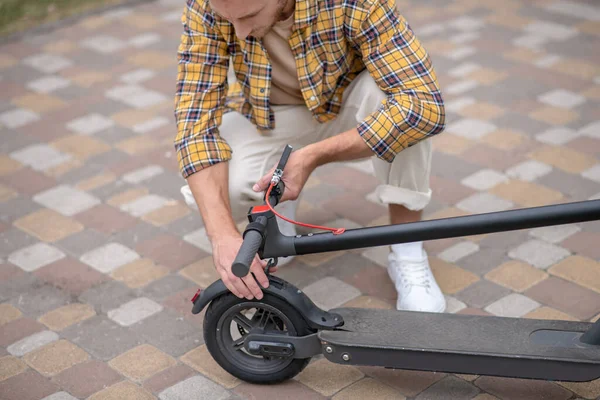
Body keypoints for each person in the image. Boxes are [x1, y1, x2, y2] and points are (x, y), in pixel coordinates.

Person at [174, 0, 447, 312]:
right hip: (273, 116)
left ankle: (407, 253)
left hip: (349, 106)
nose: (239, 32)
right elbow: (194, 126)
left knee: (402, 109)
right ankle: (281, 210)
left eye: (249, 17)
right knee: (214, 194)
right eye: (228, 19)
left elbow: (425, 106)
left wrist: (312, 156)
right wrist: (221, 235)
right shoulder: (207, 6)